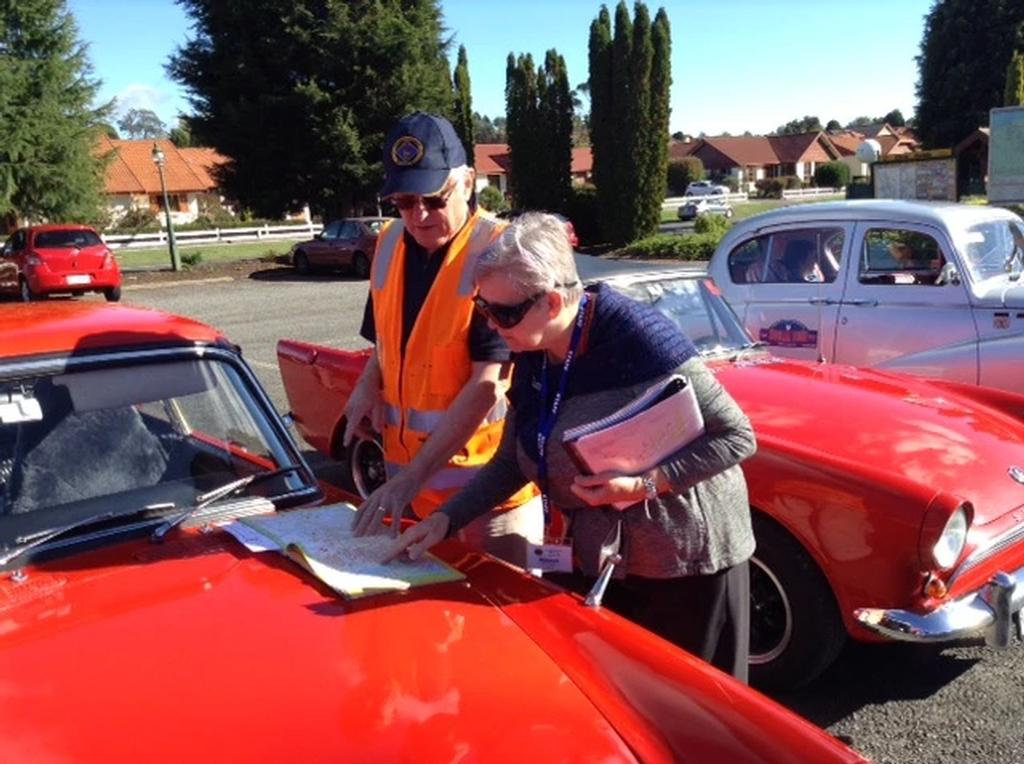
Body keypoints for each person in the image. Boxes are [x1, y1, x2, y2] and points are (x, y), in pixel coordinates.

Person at [386, 212, 758, 682]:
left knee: (687, 706)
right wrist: (446, 519)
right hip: (603, 560)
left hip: (687, 565)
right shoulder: (534, 351)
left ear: (553, 301)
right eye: (483, 309)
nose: (493, 325)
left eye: (503, 313)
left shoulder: (637, 338)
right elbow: (512, 460)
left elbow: (736, 435)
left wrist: (645, 484)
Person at [344, 112, 541, 569]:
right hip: (412, 495)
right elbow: (386, 341)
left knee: (499, 612)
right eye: (403, 201)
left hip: (487, 499)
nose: (418, 215)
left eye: (433, 199)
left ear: (468, 182)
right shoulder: (389, 243)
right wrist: (367, 385)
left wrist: (410, 479)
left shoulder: (498, 253)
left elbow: (487, 385)